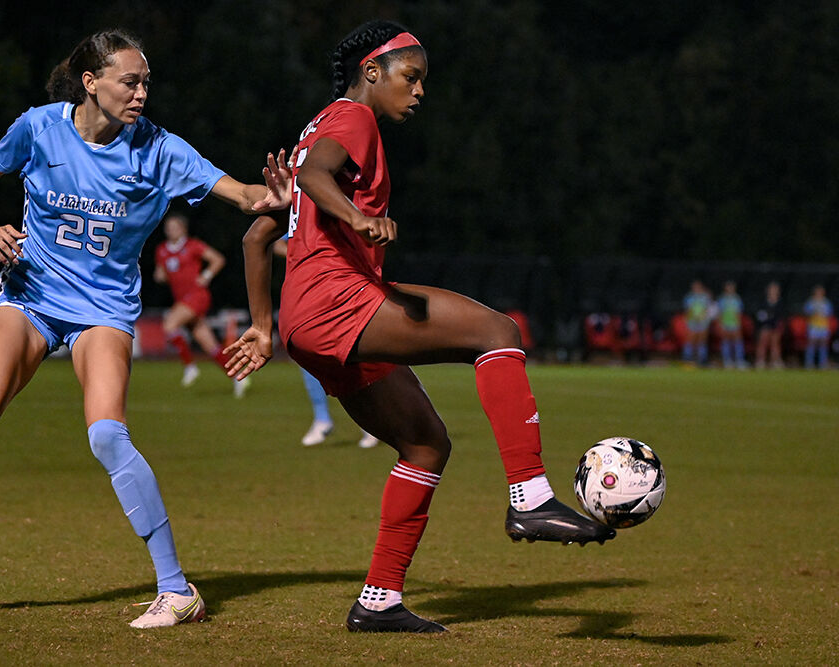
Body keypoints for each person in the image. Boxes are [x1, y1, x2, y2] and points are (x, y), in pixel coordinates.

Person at [0, 29, 290, 629]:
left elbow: (240, 195)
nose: (141, 93)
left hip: (103, 310)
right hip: (29, 298)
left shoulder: (158, 149)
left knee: (108, 436)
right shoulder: (39, 127)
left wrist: (274, 196)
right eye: (129, 82)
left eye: (146, 83)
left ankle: (177, 590)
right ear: (91, 82)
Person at [225, 20, 615, 634]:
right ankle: (531, 497)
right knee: (498, 332)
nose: (419, 91)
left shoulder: (317, 129)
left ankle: (378, 601)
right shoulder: (353, 119)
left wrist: (264, 327)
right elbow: (312, 179)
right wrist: (356, 215)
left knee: (426, 444)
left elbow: (257, 235)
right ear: (372, 73)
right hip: (339, 303)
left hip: (311, 324)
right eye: (412, 77)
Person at [270, 237, 378, 447]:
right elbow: (276, 244)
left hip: (340, 290)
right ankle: (322, 418)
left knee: (349, 356)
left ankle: (370, 423)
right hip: (305, 292)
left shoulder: (337, 210)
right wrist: (306, 258)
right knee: (306, 355)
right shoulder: (299, 209)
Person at [153, 212, 250, 397]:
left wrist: (205, 276)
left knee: (170, 324)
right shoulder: (162, 250)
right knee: (210, 345)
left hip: (197, 296)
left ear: (183, 229)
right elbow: (162, 273)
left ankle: (190, 366)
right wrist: (160, 276)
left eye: (174, 227)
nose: (170, 231)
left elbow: (218, 259)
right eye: (168, 228)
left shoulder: (192, 245)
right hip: (182, 300)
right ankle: (238, 377)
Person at [754, 281, 785, 369]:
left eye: (775, 290)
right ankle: (760, 361)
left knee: (775, 343)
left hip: (775, 326)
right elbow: (759, 314)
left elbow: (781, 316)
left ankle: (775, 361)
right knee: (763, 341)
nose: (773, 291)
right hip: (765, 325)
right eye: (771, 289)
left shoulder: (780, 302)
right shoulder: (763, 302)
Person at [681, 279, 713, 365]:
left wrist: (706, 319)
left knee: (702, 340)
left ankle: (702, 359)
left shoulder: (705, 297)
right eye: (695, 287)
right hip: (692, 322)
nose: (696, 288)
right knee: (691, 340)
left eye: (698, 287)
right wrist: (687, 321)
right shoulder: (689, 298)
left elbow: (709, 309)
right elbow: (687, 310)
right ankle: (687, 358)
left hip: (703, 322)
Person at [715, 281, 745, 368]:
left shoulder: (737, 299)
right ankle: (727, 361)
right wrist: (720, 324)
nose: (730, 289)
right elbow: (719, 313)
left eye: (731, 287)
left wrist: (739, 324)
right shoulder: (722, 299)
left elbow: (739, 313)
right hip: (725, 323)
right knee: (726, 341)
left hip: (735, 323)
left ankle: (739, 360)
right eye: (728, 287)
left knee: (737, 341)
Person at [803, 285, 833, 369]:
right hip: (813, 326)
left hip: (823, 326)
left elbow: (829, 313)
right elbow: (806, 312)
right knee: (811, 344)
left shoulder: (826, 302)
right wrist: (813, 312)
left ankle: (822, 363)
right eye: (818, 292)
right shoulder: (811, 302)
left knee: (823, 345)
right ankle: (809, 363)